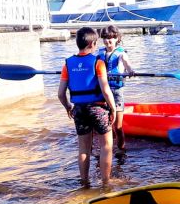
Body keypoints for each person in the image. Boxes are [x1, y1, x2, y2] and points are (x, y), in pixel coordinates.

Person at [58, 26, 117, 187]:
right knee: (106, 146)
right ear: (93, 44)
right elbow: (105, 89)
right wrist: (113, 108)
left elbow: (61, 94)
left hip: (79, 109)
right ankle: (106, 182)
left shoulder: (67, 64)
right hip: (98, 109)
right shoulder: (98, 62)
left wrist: (68, 107)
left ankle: (84, 182)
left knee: (83, 148)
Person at [99, 25, 135, 153]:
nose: (107, 41)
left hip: (116, 92)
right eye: (104, 39)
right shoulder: (100, 53)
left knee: (118, 126)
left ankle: (121, 149)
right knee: (104, 125)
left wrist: (130, 70)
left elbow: (127, 63)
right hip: (103, 91)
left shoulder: (121, 53)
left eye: (110, 39)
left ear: (116, 39)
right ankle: (106, 150)